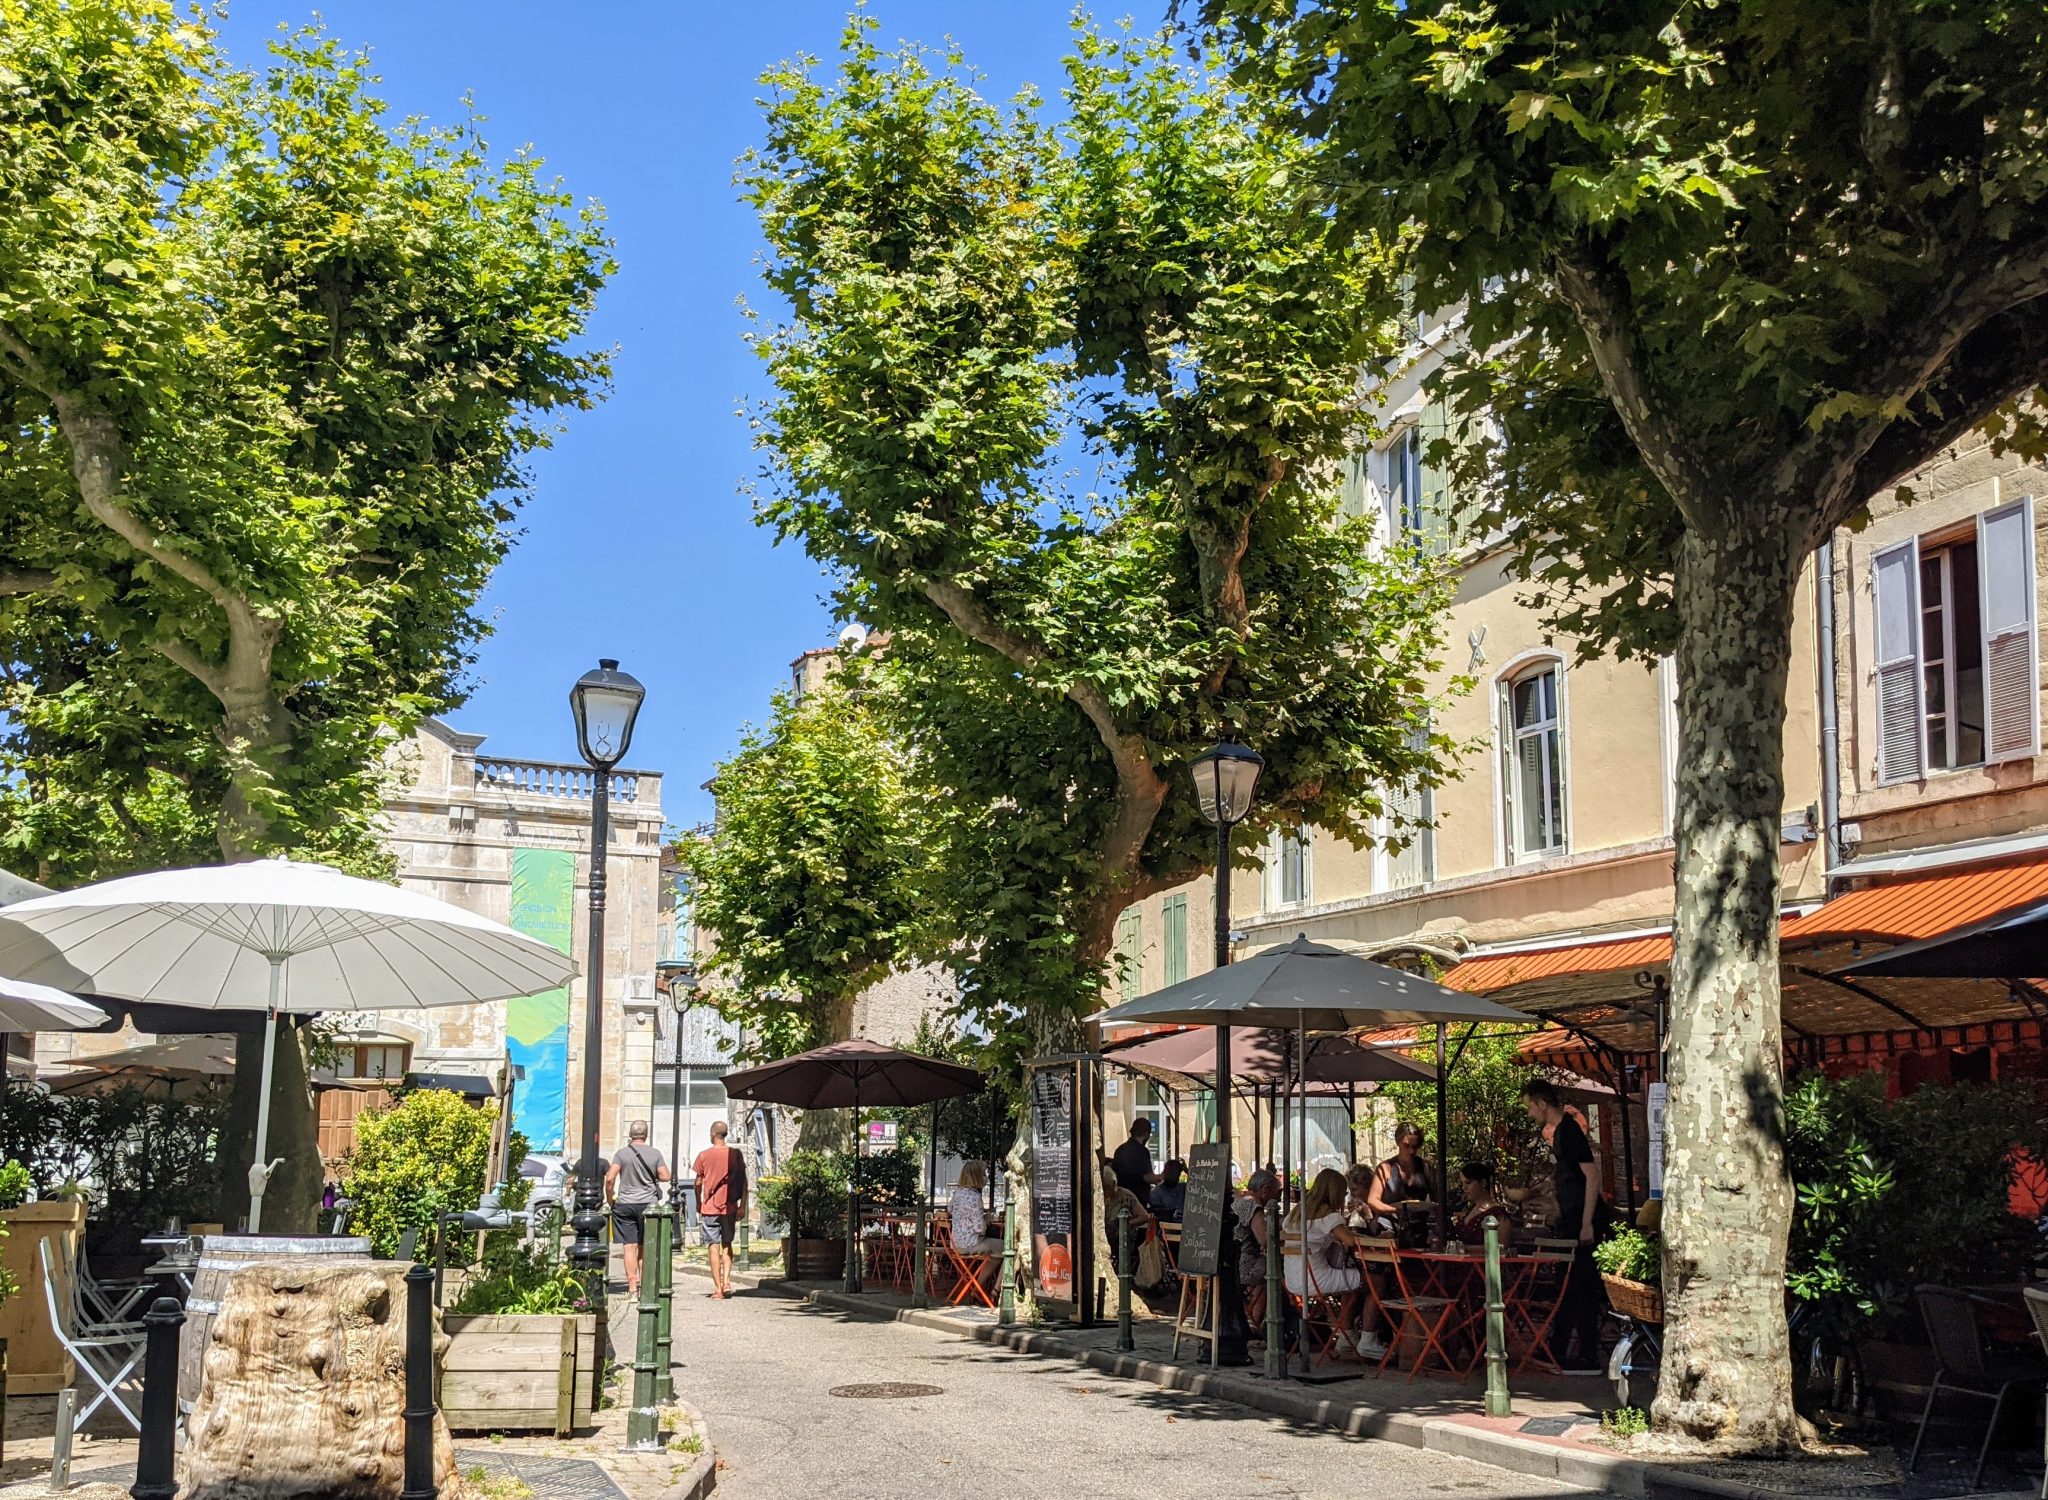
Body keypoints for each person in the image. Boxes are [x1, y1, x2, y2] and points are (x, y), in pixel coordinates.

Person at [1522, 1077, 1612, 1375]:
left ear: (1542, 1104)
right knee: (1573, 1285)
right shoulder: (1561, 1133)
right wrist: (1533, 1193)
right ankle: (1563, 1350)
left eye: (1530, 1108)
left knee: (1577, 1286)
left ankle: (1578, 1354)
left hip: (1580, 1220)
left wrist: (1586, 1223)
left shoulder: (1569, 1132)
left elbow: (1592, 1176)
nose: (1529, 1114)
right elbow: (1567, 1177)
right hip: (1572, 1217)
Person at [1283, 1167, 1380, 1359]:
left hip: (1293, 1280)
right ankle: (1368, 1340)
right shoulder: (1328, 1216)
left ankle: (1347, 1336)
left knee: (1350, 1282)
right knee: (1375, 1282)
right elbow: (1351, 1241)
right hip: (1316, 1279)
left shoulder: (1296, 1213)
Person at [606, 1120, 671, 1298]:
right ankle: (647, 1289)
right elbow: (666, 1176)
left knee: (629, 1246)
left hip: (625, 1203)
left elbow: (610, 1178)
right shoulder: (655, 1153)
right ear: (646, 1134)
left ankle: (632, 1289)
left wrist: (610, 1198)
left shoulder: (621, 1154)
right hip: (648, 1205)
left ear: (630, 1134)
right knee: (645, 1246)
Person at [690, 1120, 748, 1300]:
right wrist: (743, 1206)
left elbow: (698, 1183)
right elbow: (744, 1182)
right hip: (729, 1207)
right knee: (727, 1244)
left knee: (713, 1246)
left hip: (710, 1207)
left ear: (712, 1134)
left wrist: (699, 1202)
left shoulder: (704, 1156)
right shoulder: (736, 1154)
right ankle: (727, 1281)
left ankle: (717, 1288)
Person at [1364, 1123, 1436, 1244]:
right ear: (1398, 1142)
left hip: (1419, 1228)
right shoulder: (1385, 1168)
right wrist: (1395, 1210)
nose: (1411, 1151)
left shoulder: (1425, 1167)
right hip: (1390, 1227)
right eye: (1406, 1146)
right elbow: (1372, 1200)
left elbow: (1437, 1197)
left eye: (1415, 1146)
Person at [1233, 1167, 1282, 1326]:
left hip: (1230, 1261)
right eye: (1277, 1192)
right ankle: (1256, 1320)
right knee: (1278, 1268)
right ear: (1265, 1190)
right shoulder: (1253, 1205)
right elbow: (1265, 1240)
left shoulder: (1238, 1199)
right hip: (1244, 1264)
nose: (1279, 1198)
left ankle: (1254, 1314)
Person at [947, 1160, 1002, 1292]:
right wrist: (986, 1218)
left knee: (996, 1256)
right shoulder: (975, 1197)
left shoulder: (958, 1192)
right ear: (977, 1176)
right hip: (971, 1244)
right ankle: (996, 1290)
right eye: (983, 1174)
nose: (985, 1176)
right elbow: (980, 1229)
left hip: (955, 1243)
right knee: (1010, 1250)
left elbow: (950, 1209)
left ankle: (977, 1289)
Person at [1455, 1159, 1509, 1242]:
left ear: (1483, 1183)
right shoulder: (1470, 1210)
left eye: (1468, 1182)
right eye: (1462, 1183)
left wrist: (1463, 1249)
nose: (1464, 1188)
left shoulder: (1498, 1214)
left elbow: (1500, 1247)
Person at [1111, 1118, 1160, 1204]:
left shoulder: (1120, 1150)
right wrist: (1162, 1177)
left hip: (1120, 1197)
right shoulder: (1142, 1152)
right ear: (1146, 1134)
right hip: (1138, 1200)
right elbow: (1147, 1177)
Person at [1150, 1158, 1188, 1222]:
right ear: (1164, 1172)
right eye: (1170, 1171)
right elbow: (1158, 1218)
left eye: (1175, 1171)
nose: (1172, 1174)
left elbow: (1201, 1185)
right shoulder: (1155, 1193)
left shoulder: (1184, 1188)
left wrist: (1187, 1170)